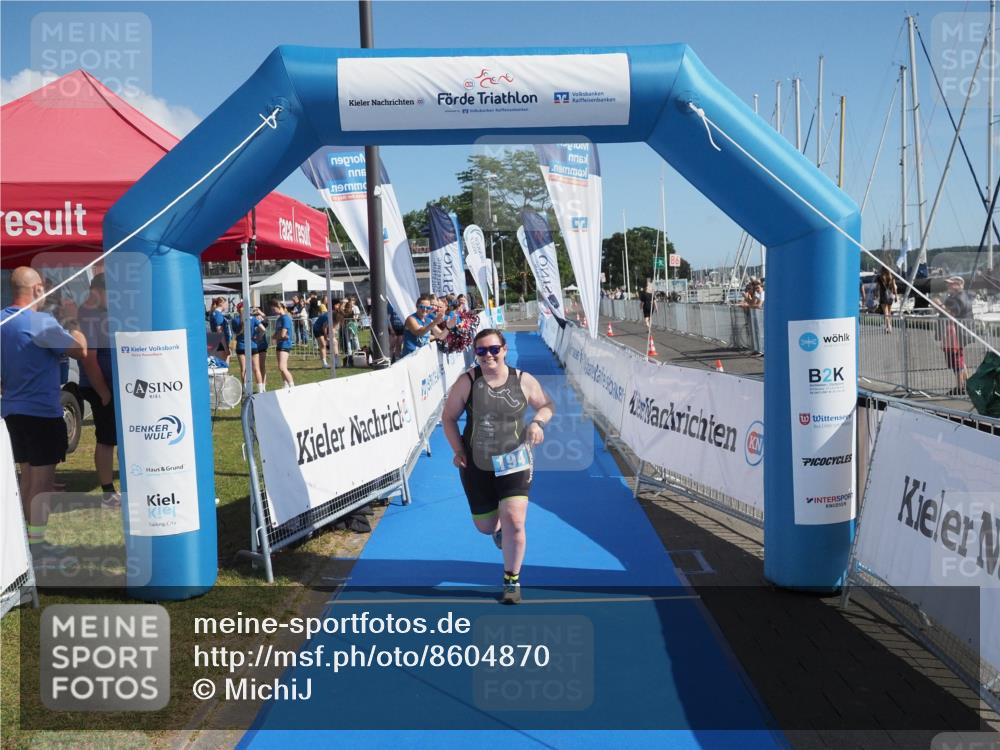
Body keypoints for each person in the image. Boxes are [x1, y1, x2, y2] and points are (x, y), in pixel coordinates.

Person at [441, 329, 555, 604]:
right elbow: (448, 418)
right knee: (486, 526)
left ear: (504, 350)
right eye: (481, 351)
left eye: (493, 349)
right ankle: (498, 531)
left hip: (515, 460)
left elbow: (547, 405)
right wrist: (458, 450)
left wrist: (538, 423)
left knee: (515, 521)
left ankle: (511, 580)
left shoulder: (523, 380)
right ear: (475, 354)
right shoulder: (467, 381)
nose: (488, 355)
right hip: (476, 462)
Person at [1, 267, 88, 562]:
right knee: (42, 483)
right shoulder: (39, 323)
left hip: (13, 412)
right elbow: (79, 350)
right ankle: (38, 546)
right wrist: (73, 319)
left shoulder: (3, 320)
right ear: (37, 288)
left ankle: (28, 544)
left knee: (27, 478)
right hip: (42, 413)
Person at [76, 273, 120, 508]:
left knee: (114, 437)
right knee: (106, 439)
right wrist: (103, 392)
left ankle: (113, 489)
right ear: (98, 291)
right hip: (101, 387)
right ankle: (107, 493)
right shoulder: (89, 316)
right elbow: (89, 358)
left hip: (112, 386)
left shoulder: (101, 313)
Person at [937, 276, 973, 396]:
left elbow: (953, 313)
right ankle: (967, 384)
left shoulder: (959, 297)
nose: (948, 286)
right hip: (956, 333)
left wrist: (938, 305)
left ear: (958, 285)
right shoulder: (958, 296)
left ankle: (960, 387)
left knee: (956, 361)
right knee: (959, 360)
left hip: (955, 334)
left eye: (951, 284)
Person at [270, 299, 295, 389]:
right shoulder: (279, 319)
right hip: (280, 345)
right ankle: (285, 384)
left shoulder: (286, 318)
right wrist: (276, 336)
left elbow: (283, 334)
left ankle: (292, 385)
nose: (273, 311)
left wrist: (277, 336)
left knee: (282, 367)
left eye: (274, 309)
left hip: (285, 345)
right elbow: (278, 334)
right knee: (282, 367)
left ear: (279, 307)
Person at [252, 306, 269, 392]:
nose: (255, 312)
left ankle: (263, 385)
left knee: (262, 365)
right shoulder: (251, 320)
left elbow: (266, 322)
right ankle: (259, 385)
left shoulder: (261, 319)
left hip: (262, 345)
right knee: (256, 367)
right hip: (254, 346)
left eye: (256, 311)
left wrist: (261, 313)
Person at [876, 268, 897, 332]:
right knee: (889, 312)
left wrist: (876, 294)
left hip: (883, 296)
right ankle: (889, 326)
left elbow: (877, 287)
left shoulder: (879, 278)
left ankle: (888, 326)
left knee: (886, 313)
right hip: (890, 296)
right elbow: (894, 287)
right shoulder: (892, 277)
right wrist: (896, 296)